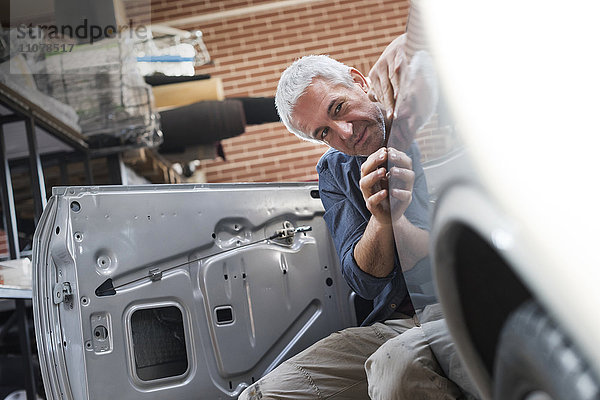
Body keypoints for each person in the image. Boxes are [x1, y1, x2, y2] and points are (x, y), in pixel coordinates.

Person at [238, 50, 479, 400]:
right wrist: (383, 221)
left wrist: (400, 223)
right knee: (262, 396)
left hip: (466, 300)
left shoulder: (435, 116)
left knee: (396, 365)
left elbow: (455, 255)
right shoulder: (335, 169)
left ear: (359, 81)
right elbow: (363, 280)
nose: (345, 133)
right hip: (398, 321)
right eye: (325, 132)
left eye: (337, 108)